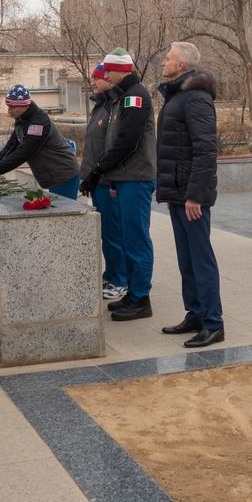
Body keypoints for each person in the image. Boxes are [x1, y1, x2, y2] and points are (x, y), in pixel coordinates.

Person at [156, 41, 224, 348]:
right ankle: (195, 313)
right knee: (187, 259)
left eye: (167, 59)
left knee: (200, 259)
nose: (163, 63)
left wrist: (195, 194)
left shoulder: (195, 98)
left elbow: (206, 148)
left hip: (190, 196)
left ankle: (213, 322)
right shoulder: (179, 96)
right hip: (177, 192)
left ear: (181, 65)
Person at [81, 50, 156, 322]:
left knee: (136, 239)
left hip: (135, 177)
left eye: (109, 71)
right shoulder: (121, 98)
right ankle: (133, 295)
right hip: (124, 177)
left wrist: (100, 169)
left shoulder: (135, 95)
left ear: (121, 71)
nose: (105, 75)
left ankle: (141, 298)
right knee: (128, 237)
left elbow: (126, 141)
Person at [81, 63, 127, 300]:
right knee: (106, 233)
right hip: (95, 180)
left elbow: (112, 148)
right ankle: (111, 275)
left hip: (107, 180)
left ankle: (120, 279)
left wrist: (102, 176)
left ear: (110, 80)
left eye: (98, 78)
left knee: (113, 233)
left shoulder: (113, 108)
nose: (94, 82)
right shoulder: (99, 107)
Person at [0, 85, 80, 198]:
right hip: (52, 175)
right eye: (8, 107)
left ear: (24, 105)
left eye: (12, 107)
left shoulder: (39, 123)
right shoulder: (22, 120)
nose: (9, 111)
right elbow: (10, 147)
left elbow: (22, 154)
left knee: (63, 213)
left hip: (63, 174)